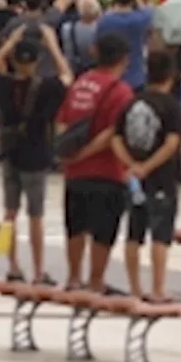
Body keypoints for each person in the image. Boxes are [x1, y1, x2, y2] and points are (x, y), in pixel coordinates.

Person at [0, 26, 72, 286]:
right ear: (37, 62)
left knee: (10, 212)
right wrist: (54, 45)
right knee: (36, 215)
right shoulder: (47, 88)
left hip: (10, 151)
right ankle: (38, 270)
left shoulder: (5, 86)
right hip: (36, 152)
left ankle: (12, 265)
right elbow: (67, 75)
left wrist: (9, 43)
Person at [56, 33, 134, 294]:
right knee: (103, 230)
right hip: (107, 171)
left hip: (74, 172)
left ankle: (74, 276)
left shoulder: (80, 83)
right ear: (123, 59)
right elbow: (113, 132)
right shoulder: (121, 91)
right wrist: (87, 153)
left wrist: (69, 154)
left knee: (75, 225)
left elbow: (63, 123)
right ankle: (96, 279)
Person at [115, 50, 181, 302]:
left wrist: (132, 164)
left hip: (134, 178)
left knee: (134, 231)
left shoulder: (132, 102)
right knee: (160, 234)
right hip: (161, 177)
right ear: (171, 76)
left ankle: (135, 287)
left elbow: (116, 138)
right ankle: (157, 287)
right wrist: (150, 165)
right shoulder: (171, 106)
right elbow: (171, 142)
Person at [94, 0, 153, 91]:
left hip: (111, 79)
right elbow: (150, 4)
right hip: (135, 79)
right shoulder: (142, 19)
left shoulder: (104, 20)